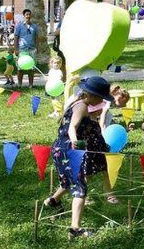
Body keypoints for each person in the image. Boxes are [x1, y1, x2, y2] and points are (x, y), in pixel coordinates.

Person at [42, 76, 113, 239]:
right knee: (80, 188)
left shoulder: (76, 102)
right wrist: (74, 141)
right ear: (91, 95)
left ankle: (52, 201)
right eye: (100, 97)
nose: (101, 100)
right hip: (69, 150)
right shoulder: (81, 105)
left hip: (60, 148)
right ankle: (75, 230)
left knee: (68, 181)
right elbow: (72, 127)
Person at [14, 9, 38, 88]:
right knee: (20, 68)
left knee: (31, 68)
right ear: (24, 16)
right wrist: (16, 49)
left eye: (29, 14)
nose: (28, 16)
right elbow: (16, 37)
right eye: (26, 14)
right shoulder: (19, 26)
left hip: (32, 49)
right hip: (22, 49)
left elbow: (36, 37)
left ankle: (31, 84)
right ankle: (19, 84)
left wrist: (36, 48)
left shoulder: (34, 26)